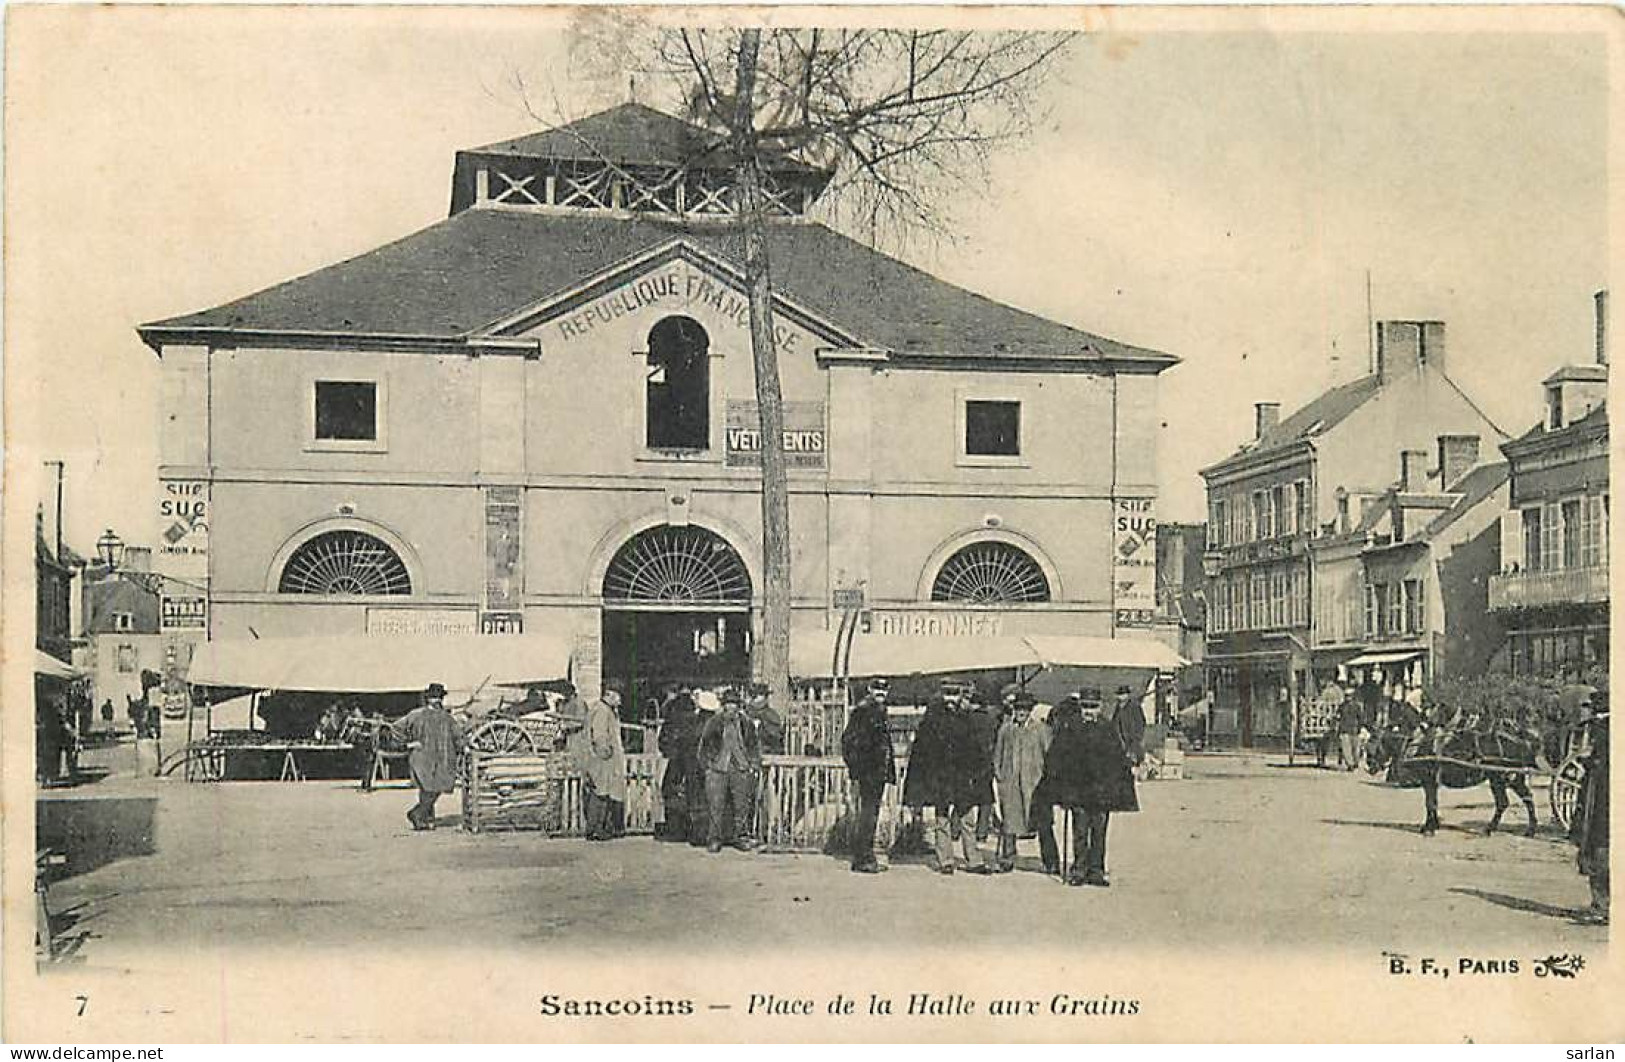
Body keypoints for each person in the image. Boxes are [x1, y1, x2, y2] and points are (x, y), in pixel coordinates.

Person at [1043, 688, 1139, 886]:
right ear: (1080, 707)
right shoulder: (1070, 728)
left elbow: (1117, 760)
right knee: (1080, 831)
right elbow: (1057, 758)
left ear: (1100, 707)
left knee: (1099, 832)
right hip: (1078, 793)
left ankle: (1096, 870)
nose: (1089, 711)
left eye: (1093, 707)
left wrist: (1117, 786)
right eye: (1085, 706)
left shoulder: (1107, 728)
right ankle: (1079, 869)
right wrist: (1062, 788)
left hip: (1101, 793)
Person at [902, 680, 992, 875]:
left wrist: (976, 773)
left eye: (954, 693)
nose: (951, 698)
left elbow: (976, 749)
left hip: (962, 778)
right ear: (942, 695)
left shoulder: (968, 718)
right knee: (942, 818)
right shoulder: (932, 719)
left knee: (967, 819)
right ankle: (946, 860)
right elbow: (922, 751)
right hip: (941, 778)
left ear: (960, 694)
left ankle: (974, 860)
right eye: (947, 694)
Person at [841, 679, 895, 874]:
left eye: (884, 689)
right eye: (877, 689)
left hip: (877, 773)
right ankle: (863, 858)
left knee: (871, 815)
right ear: (870, 690)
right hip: (869, 773)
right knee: (867, 815)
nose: (881, 692)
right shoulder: (863, 712)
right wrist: (857, 768)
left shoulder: (880, 710)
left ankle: (866, 856)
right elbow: (848, 742)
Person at [992, 690, 1050, 873]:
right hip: (1010, 783)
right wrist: (1000, 776)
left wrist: (1046, 778)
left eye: (1025, 709)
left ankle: (1051, 860)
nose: (1021, 713)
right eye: (1018, 709)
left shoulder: (1040, 729)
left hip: (1034, 783)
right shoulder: (1006, 729)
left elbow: (1049, 755)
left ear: (1030, 710)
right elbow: (998, 755)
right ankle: (1007, 858)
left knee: (1041, 822)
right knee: (1009, 822)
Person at [699, 687, 762, 852]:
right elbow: (704, 746)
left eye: (734, 704)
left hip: (740, 768)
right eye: (728, 704)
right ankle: (714, 839)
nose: (731, 707)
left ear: (739, 706)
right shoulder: (714, 722)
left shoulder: (746, 723)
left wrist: (753, 765)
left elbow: (754, 746)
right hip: (718, 768)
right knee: (715, 806)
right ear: (723, 705)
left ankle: (740, 837)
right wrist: (708, 766)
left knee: (741, 806)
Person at [398, 683, 463, 831]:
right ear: (428, 699)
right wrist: (408, 744)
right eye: (434, 698)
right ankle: (417, 814)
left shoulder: (447, 717)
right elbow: (397, 728)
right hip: (422, 757)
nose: (437, 700)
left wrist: (464, 746)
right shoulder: (416, 715)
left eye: (439, 698)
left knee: (436, 786)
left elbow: (457, 735)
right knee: (428, 788)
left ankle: (425, 819)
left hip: (442, 758)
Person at [1569, 699, 1609, 926]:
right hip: (1602, 800)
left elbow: (1597, 762)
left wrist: (1591, 763)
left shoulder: (1602, 730)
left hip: (1600, 804)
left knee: (1598, 850)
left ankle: (1601, 907)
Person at [580, 687, 628, 841]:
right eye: (617, 697)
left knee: (604, 792)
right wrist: (605, 752)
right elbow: (599, 734)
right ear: (609, 695)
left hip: (605, 760)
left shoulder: (607, 710)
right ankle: (595, 828)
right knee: (601, 793)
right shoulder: (602, 711)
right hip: (602, 760)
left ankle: (600, 827)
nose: (619, 701)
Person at [656, 685, 697, 842]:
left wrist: (669, 751)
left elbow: (663, 741)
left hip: (676, 761)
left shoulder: (672, 720)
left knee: (671, 791)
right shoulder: (695, 719)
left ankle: (675, 829)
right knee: (690, 794)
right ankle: (689, 828)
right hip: (692, 763)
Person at [968, 687, 1003, 843]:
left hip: (969, 764)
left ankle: (955, 829)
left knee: (965, 798)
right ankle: (981, 832)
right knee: (986, 800)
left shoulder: (967, 719)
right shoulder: (991, 720)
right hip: (986, 763)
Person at [684, 691, 719, 847]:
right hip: (710, 766)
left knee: (696, 800)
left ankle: (697, 834)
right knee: (710, 801)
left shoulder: (694, 722)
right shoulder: (715, 724)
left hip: (693, 765)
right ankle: (708, 835)